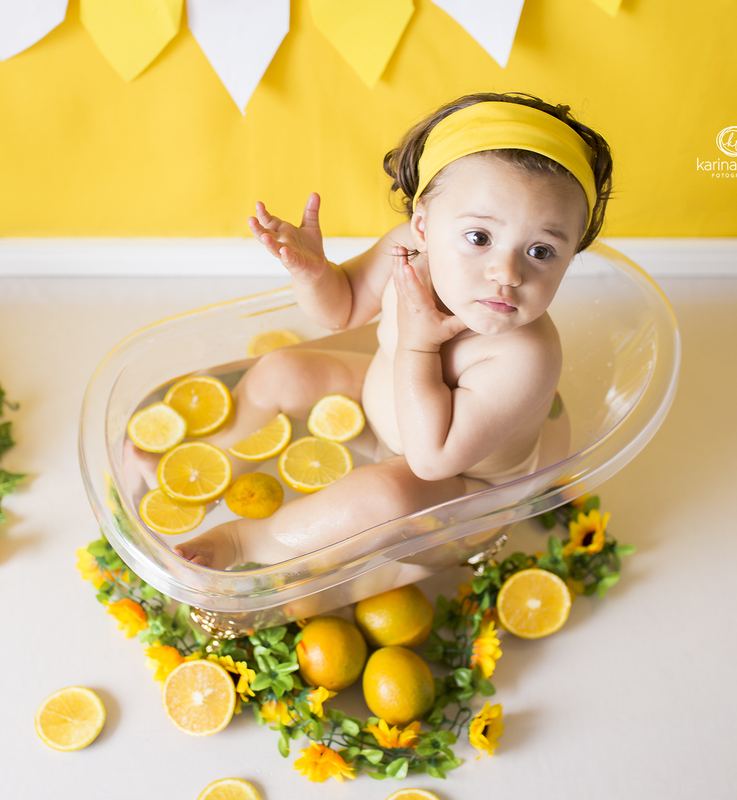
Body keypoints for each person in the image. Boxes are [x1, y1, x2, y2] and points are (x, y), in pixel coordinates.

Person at [159, 92, 614, 569]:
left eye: (541, 251)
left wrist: (419, 342)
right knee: (282, 370)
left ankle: (249, 543)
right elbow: (344, 309)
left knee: (382, 494)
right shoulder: (406, 252)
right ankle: (203, 463)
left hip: (464, 493)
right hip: (385, 411)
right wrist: (315, 274)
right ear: (422, 227)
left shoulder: (525, 356)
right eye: (479, 238)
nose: (507, 272)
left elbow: (431, 459)